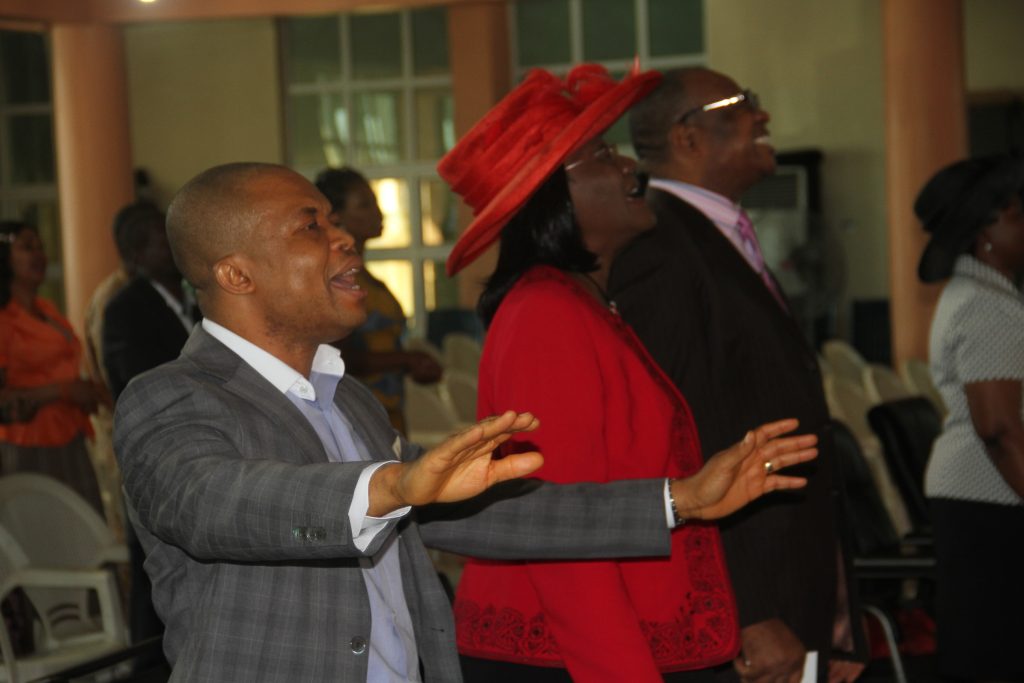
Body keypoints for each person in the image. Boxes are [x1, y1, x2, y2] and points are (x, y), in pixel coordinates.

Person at [114, 161, 815, 682]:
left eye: (334, 220)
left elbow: (494, 513)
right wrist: (392, 485)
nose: (344, 239)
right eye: (311, 226)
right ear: (236, 275)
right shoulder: (171, 396)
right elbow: (213, 503)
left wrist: (680, 499)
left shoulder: (348, 399)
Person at [439, 64, 818, 683]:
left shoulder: (585, 304)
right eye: (602, 156)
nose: (628, 168)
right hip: (573, 658)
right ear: (551, 196)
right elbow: (561, 531)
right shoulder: (545, 315)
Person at [609, 67, 864, 683]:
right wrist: (747, 611)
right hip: (753, 596)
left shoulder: (714, 235)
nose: (763, 115)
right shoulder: (659, 247)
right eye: (741, 103)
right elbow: (679, 443)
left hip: (791, 571)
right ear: (688, 138)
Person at [916, 155, 1024, 683]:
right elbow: (999, 430)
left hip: (982, 497)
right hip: (989, 499)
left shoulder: (986, 294)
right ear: (987, 231)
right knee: (993, 654)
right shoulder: (987, 306)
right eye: (1019, 216)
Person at [102, 201, 195, 646]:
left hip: (200, 448)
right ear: (138, 254)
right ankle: (146, 662)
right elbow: (139, 380)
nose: (175, 246)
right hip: (158, 453)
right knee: (154, 569)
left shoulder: (196, 300)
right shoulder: (126, 308)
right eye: (163, 240)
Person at [315, 166, 442, 434]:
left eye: (374, 202)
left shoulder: (366, 277)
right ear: (336, 218)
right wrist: (405, 359)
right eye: (364, 205)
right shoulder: (337, 281)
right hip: (360, 419)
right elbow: (337, 357)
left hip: (388, 413)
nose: (379, 212)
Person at [0, 220, 107, 514]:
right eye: (27, 247)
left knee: (85, 529)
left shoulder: (46, 309)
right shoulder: (4, 319)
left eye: (41, 247)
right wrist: (63, 391)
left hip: (70, 435)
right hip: (27, 444)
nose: (39, 255)